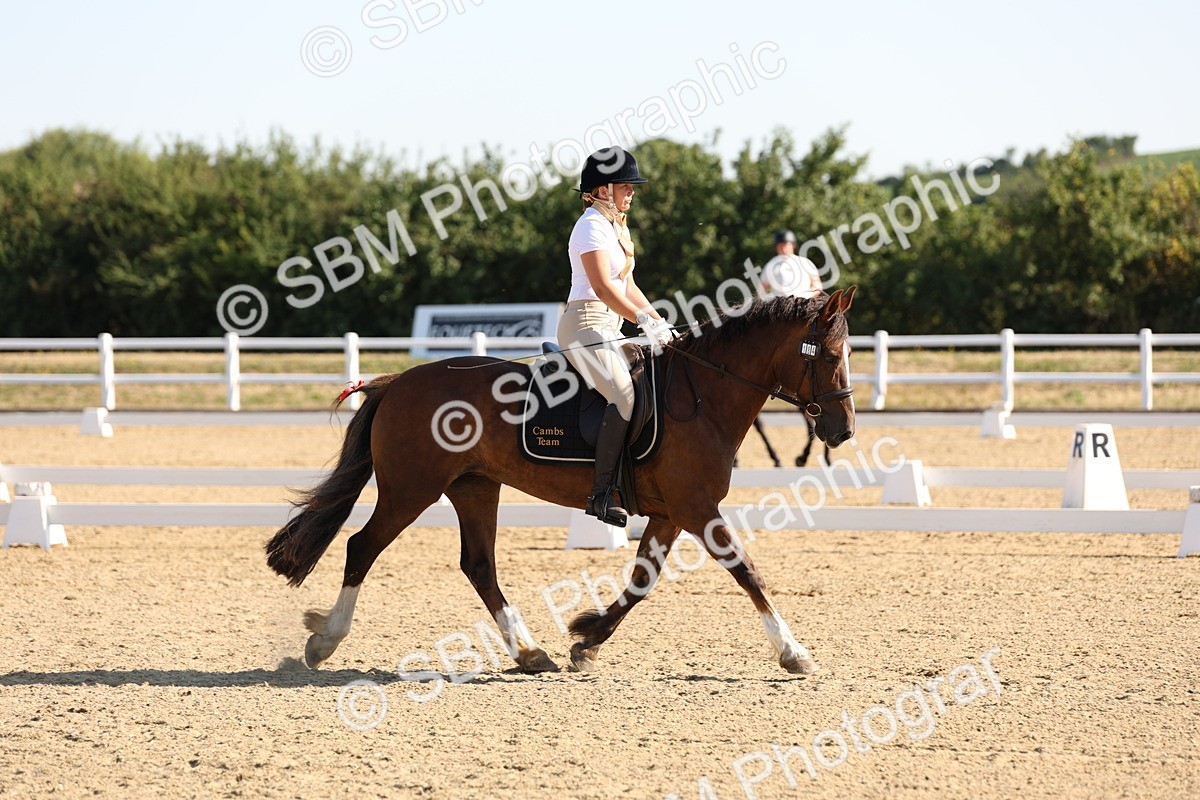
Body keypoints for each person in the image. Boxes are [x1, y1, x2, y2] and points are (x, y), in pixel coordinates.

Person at [557, 147, 674, 526]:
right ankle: (602, 493)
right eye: (626, 185)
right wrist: (641, 320)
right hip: (585, 325)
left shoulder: (616, 228)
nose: (632, 192)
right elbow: (604, 288)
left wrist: (660, 322)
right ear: (603, 189)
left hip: (610, 326)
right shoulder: (590, 226)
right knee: (622, 394)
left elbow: (629, 285)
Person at [760, 229, 823, 299]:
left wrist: (804, 297)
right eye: (780, 246)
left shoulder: (805, 263)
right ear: (776, 248)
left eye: (786, 246)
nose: (783, 249)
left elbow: (817, 286)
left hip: (803, 305)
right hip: (779, 307)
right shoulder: (770, 266)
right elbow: (761, 290)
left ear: (793, 245)